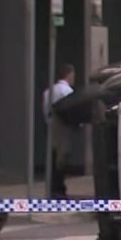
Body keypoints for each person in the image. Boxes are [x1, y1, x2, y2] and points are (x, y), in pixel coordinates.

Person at [43, 63, 76, 198]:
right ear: (69, 75)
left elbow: (46, 110)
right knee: (62, 159)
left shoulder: (48, 91)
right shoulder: (67, 91)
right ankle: (59, 189)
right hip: (63, 127)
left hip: (52, 126)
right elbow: (73, 110)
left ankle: (54, 188)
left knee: (53, 156)